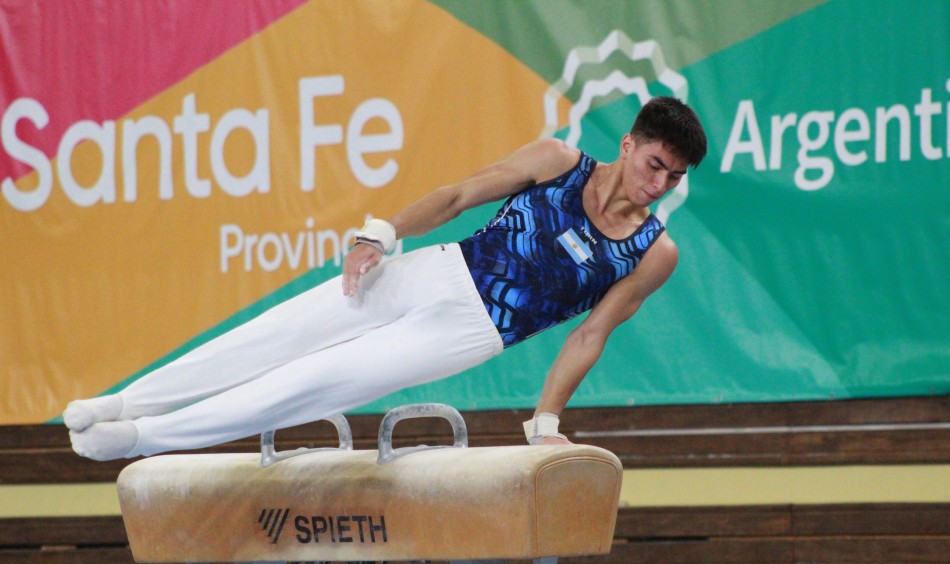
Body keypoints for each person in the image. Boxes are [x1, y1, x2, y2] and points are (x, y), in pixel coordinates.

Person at [65, 96, 707, 460]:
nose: (659, 185)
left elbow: (591, 334)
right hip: (437, 271)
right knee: (276, 334)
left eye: (674, 177)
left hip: (471, 333)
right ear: (628, 144)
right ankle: (126, 402)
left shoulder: (654, 252)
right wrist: (382, 233)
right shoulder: (558, 161)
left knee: (312, 383)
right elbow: (458, 196)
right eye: (655, 165)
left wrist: (545, 419)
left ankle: (144, 439)